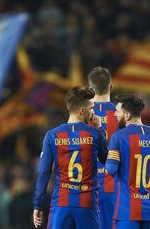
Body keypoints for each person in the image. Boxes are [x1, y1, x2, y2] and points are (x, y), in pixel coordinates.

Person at [33, 86, 108, 229]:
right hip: (87, 205)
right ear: (82, 110)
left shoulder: (52, 135)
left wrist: (38, 204)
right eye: (91, 108)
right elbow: (108, 161)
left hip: (61, 205)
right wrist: (100, 128)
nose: (93, 112)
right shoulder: (95, 135)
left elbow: (44, 173)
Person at [105, 94, 150, 229]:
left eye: (118, 112)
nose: (115, 114)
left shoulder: (118, 137)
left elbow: (111, 170)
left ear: (127, 115)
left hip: (127, 211)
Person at [88, 67, 118, 229]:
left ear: (90, 89)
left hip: (84, 191)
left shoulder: (80, 116)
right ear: (111, 87)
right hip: (114, 189)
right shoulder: (122, 115)